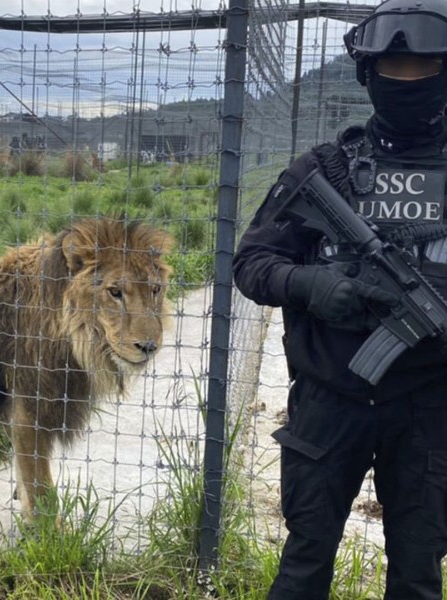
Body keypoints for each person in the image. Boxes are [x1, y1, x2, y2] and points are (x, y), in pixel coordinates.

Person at [233, 0, 447, 598]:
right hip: (330, 401)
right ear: (367, 74)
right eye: (393, 69)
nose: (407, 83)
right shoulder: (327, 169)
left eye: (423, 68)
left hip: (430, 408)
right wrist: (311, 285)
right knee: (304, 566)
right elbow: (252, 263)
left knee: (419, 574)